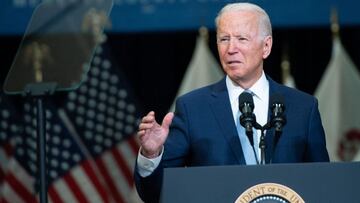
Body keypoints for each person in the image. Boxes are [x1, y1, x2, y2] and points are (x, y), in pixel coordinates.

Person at [134, 2, 329, 203]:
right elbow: (156, 193)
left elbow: (324, 185)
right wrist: (152, 154)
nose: (231, 49)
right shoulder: (193, 108)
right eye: (224, 39)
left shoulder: (303, 108)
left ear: (266, 46)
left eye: (241, 39)